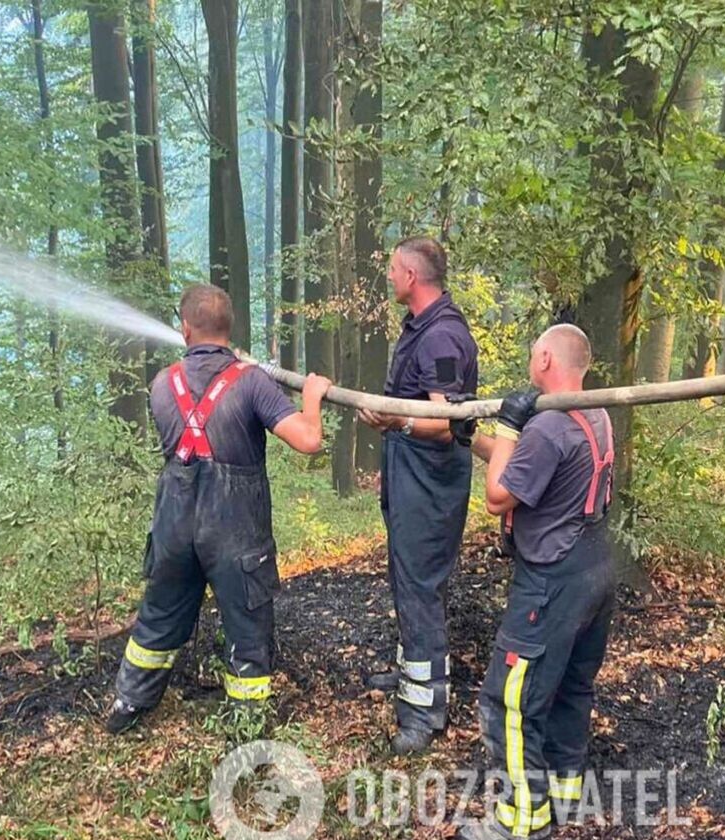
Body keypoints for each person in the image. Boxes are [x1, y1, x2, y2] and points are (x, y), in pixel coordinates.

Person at [105, 284, 331, 736]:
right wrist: (312, 394)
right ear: (231, 328)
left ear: (185, 327)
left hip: (174, 520)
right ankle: (246, 723)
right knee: (246, 622)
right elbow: (309, 441)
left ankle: (128, 704)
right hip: (234, 525)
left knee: (161, 613)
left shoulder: (161, 384)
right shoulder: (252, 382)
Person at [455, 325, 616, 840]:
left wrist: (507, 427)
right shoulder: (595, 414)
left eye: (532, 351)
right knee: (571, 684)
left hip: (551, 580)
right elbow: (532, 472)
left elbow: (500, 497)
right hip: (594, 568)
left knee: (511, 700)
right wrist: (476, 438)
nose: (530, 357)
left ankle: (522, 815)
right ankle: (567, 791)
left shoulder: (548, 426)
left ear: (545, 357)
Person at [355, 236, 480, 754]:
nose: (389, 277)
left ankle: (424, 712)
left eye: (392, 270)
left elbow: (448, 423)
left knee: (421, 585)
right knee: (409, 579)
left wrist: (395, 420)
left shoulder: (442, 338)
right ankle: (415, 674)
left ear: (411, 276)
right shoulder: (421, 329)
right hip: (410, 471)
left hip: (431, 481)